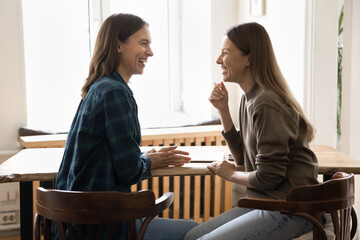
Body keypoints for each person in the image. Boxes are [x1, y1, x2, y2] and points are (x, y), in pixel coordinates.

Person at [55, 13, 199, 239]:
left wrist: (144, 157)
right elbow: (128, 171)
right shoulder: (115, 92)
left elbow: (111, 157)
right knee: (193, 231)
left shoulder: (98, 88)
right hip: (102, 225)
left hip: (75, 224)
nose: (150, 52)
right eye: (144, 43)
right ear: (118, 45)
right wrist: (148, 161)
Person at [184, 22, 319, 240]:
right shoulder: (251, 97)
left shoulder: (266, 101)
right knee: (191, 236)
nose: (218, 60)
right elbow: (244, 158)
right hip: (265, 204)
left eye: (225, 53)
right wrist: (223, 111)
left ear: (249, 58)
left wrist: (230, 175)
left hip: (290, 209)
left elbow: (269, 177)